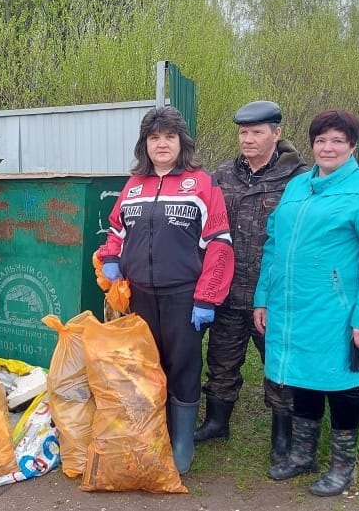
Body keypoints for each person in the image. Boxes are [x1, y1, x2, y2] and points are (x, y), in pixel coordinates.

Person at [254, 109, 359, 496]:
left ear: (352, 145)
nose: (327, 147)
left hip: (337, 309)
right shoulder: (298, 185)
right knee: (303, 377)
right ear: (312, 144)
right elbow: (274, 243)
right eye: (320, 140)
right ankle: (303, 456)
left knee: (341, 385)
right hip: (292, 305)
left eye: (337, 140)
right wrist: (263, 297)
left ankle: (342, 465)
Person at [96, 106, 235, 474]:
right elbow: (116, 230)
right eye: (154, 137)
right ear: (145, 144)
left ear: (181, 142)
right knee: (146, 366)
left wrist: (207, 297)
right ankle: (151, 433)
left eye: (169, 137)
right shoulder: (134, 185)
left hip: (184, 296)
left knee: (184, 366)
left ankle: (182, 442)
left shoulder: (202, 183)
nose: (162, 144)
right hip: (139, 294)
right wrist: (111, 258)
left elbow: (219, 244)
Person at [194, 101, 309, 465]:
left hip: (273, 296)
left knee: (280, 367)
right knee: (221, 362)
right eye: (244, 132)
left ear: (277, 134)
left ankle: (283, 439)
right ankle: (216, 423)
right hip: (227, 291)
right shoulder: (223, 175)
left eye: (258, 132)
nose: (248, 139)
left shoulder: (299, 179)